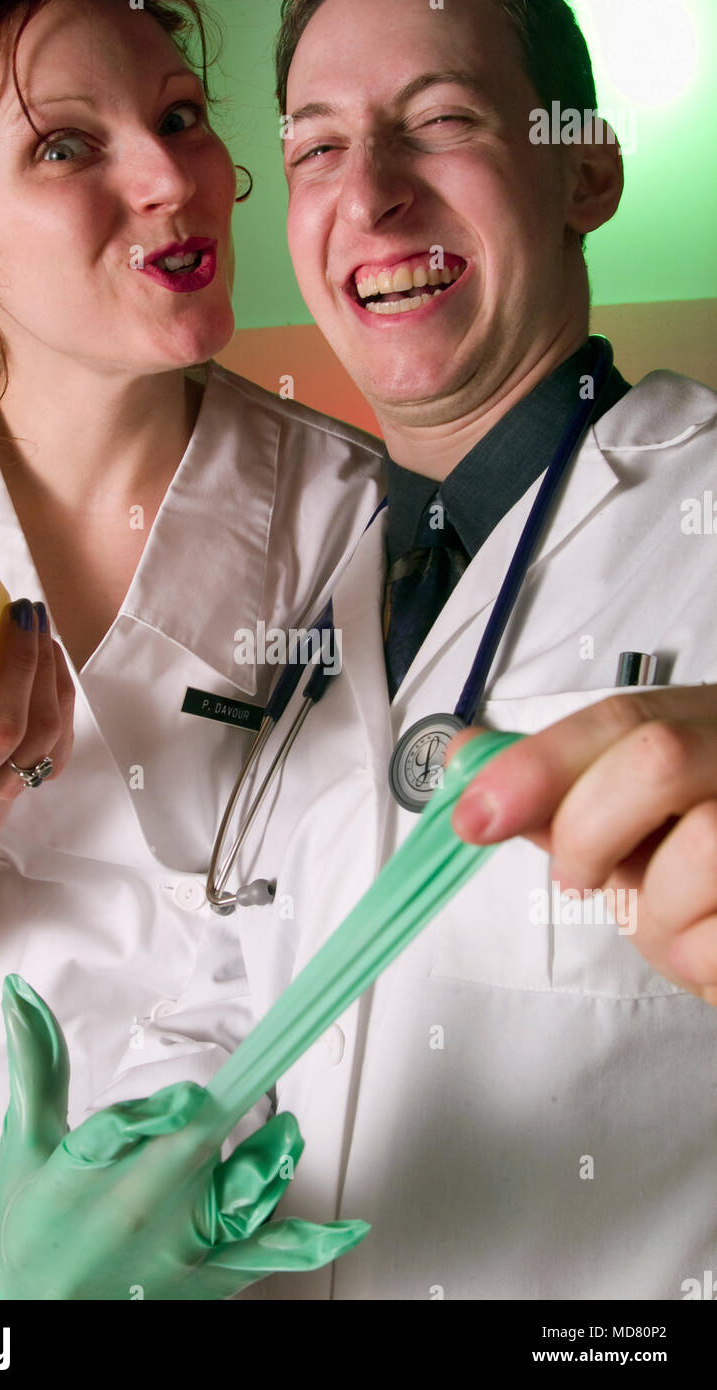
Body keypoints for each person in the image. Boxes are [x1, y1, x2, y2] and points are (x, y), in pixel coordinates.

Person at [0, 0, 385, 1299]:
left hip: (213, 1263)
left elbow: (338, 968)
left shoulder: (350, 517)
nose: (169, 180)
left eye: (178, 117)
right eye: (63, 146)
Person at [219, 0, 717, 1299]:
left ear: (585, 169)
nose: (369, 197)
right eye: (317, 148)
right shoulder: (276, 573)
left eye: (438, 121)